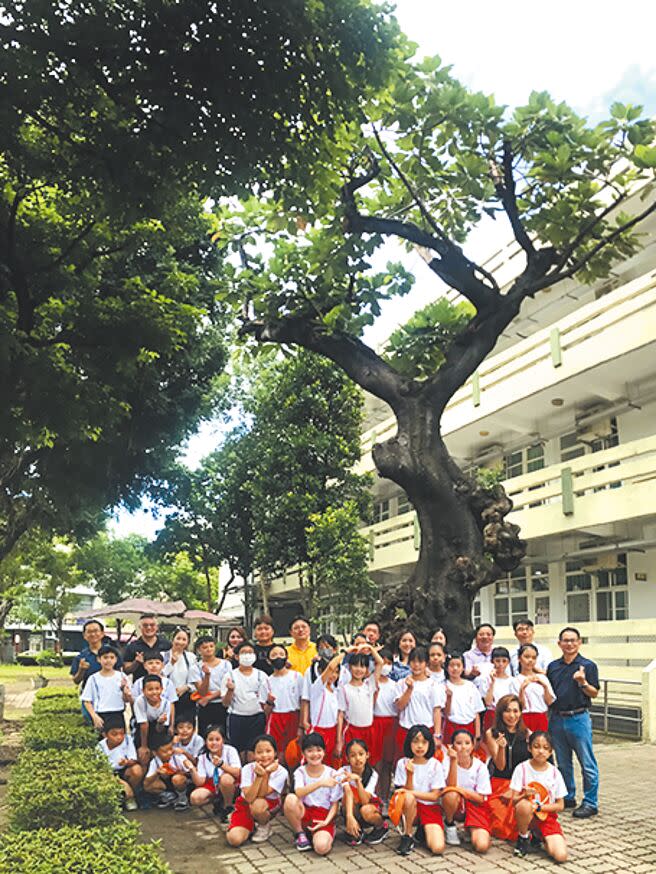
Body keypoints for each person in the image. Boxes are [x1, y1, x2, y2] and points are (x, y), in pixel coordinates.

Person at [546, 627, 600, 819]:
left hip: (579, 718)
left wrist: (583, 682)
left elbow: (594, 693)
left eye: (573, 640)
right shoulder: (553, 667)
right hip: (557, 718)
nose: (569, 644)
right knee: (563, 762)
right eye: (565, 640)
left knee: (586, 762)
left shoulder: (588, 666)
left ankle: (591, 802)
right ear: (559, 643)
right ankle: (568, 796)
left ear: (579, 642)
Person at [510, 731, 569, 862]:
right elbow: (513, 800)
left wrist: (539, 808)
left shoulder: (555, 772)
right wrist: (523, 795)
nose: (541, 751)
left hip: (547, 817)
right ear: (529, 748)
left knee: (561, 856)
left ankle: (539, 836)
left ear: (551, 751)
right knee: (524, 805)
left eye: (546, 748)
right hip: (526, 817)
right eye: (536, 746)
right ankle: (523, 837)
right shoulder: (522, 768)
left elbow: (560, 805)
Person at [283, 731, 343, 855]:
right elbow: (299, 792)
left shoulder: (332, 773)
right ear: (303, 753)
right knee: (290, 799)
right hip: (305, 812)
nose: (315, 754)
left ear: (324, 752)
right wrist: (320, 783)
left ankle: (322, 833)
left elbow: (334, 804)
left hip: (323, 815)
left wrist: (326, 822)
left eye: (318, 750)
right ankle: (300, 834)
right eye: (310, 751)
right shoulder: (300, 771)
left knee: (321, 848)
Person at [393, 724, 446, 857]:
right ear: (409, 743)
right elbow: (403, 795)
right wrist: (409, 775)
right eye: (415, 741)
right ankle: (408, 835)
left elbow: (435, 796)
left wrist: (410, 792)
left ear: (429, 744)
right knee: (408, 797)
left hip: (429, 808)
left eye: (424, 742)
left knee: (438, 848)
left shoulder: (435, 764)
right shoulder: (402, 763)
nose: (420, 746)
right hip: (409, 808)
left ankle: (422, 831)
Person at [485, 694, 531, 842]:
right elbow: (500, 766)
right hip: (499, 783)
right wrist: (501, 748)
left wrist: (516, 788)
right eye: (507, 711)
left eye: (516, 711)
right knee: (501, 823)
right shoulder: (491, 734)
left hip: (520, 784)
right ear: (500, 713)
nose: (512, 716)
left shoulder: (527, 734)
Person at [226, 734, 287, 846]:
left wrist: (266, 773)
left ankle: (264, 825)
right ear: (253, 754)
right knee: (234, 839)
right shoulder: (247, 768)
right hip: (246, 804)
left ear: (275, 753)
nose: (264, 755)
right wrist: (259, 776)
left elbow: (263, 794)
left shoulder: (281, 771)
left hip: (267, 804)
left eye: (268, 751)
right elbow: (248, 798)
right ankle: (250, 825)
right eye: (259, 752)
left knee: (258, 805)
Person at [441, 730, 492, 852]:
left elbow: (481, 798)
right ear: (452, 746)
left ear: (473, 745)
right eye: (458, 743)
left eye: (467, 743)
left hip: (474, 807)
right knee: (451, 794)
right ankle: (449, 824)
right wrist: (453, 761)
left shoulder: (480, 766)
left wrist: (461, 790)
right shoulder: (446, 762)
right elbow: (450, 787)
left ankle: (469, 829)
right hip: (455, 804)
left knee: (482, 846)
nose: (463, 747)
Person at [221, 640, 268, 762]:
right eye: (243, 653)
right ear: (236, 656)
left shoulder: (261, 675)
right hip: (236, 717)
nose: (247, 655)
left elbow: (266, 700)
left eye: (250, 652)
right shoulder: (229, 676)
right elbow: (225, 703)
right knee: (238, 752)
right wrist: (230, 691)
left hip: (257, 717)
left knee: (255, 751)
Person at [394, 646, 444, 759]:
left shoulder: (433, 685)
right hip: (405, 729)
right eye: (413, 661)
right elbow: (399, 706)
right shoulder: (401, 683)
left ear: (426, 663)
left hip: (427, 730)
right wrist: (409, 689)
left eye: (420, 662)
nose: (416, 665)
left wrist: (437, 734)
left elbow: (437, 710)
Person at [336, 644, 383, 760]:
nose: (359, 669)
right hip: (351, 730)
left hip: (369, 730)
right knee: (352, 762)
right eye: (355, 666)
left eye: (362, 666)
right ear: (350, 667)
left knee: (368, 762)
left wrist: (370, 648)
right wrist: (339, 740)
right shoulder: (344, 688)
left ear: (367, 669)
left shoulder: (369, 684)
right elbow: (340, 715)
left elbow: (380, 663)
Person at [71, 620, 122, 722]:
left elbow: (119, 674)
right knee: (93, 728)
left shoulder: (112, 653)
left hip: (111, 699)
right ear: (84, 635)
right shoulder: (82, 656)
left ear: (102, 633)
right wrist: (81, 670)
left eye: (96, 631)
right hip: (91, 700)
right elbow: (76, 681)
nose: (93, 634)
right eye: (89, 632)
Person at [340, 738, 388, 846]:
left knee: (366, 810)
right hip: (351, 809)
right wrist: (349, 817)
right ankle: (355, 830)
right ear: (347, 758)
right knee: (348, 795)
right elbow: (347, 793)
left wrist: (358, 781)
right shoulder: (343, 772)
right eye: (353, 756)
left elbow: (366, 801)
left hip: (369, 807)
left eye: (361, 754)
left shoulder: (373, 774)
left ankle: (381, 827)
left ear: (367, 755)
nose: (357, 758)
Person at [189, 724, 241, 820]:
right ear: (205, 742)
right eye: (210, 740)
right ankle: (218, 801)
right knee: (195, 798)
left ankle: (228, 807)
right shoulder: (203, 757)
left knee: (225, 779)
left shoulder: (230, 750)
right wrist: (192, 769)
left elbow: (237, 772)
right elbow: (200, 781)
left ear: (223, 740)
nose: (214, 743)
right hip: (213, 784)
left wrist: (221, 765)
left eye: (217, 739)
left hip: (231, 782)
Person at [300, 646, 341, 765]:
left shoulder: (335, 691)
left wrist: (338, 740)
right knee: (314, 763)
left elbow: (339, 715)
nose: (333, 675)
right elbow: (331, 667)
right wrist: (345, 652)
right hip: (318, 731)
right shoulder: (318, 687)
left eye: (337, 672)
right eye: (331, 672)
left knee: (330, 765)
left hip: (332, 731)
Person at [264, 643, 302, 766]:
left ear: (286, 657)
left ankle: (294, 781)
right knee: (276, 753)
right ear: (269, 661)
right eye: (274, 655)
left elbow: (303, 701)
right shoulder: (267, 681)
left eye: (281, 654)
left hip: (294, 716)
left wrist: (301, 724)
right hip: (276, 718)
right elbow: (265, 711)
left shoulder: (297, 676)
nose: (278, 657)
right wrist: (269, 702)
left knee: (294, 752)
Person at [97, 716, 143, 811]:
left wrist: (126, 762)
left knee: (137, 770)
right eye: (114, 734)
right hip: (109, 773)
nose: (119, 737)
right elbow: (100, 769)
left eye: (122, 733)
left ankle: (129, 797)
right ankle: (124, 795)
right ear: (105, 735)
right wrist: (122, 783)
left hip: (124, 770)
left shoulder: (127, 740)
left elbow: (133, 759)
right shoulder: (100, 747)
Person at [80, 644, 131, 731]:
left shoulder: (122, 677)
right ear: (99, 659)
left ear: (116, 660)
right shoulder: (93, 678)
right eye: (105, 657)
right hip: (101, 715)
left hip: (118, 713)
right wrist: (94, 717)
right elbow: (87, 701)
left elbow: (127, 699)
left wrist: (124, 691)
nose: (109, 661)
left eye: (112, 657)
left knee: (119, 741)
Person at [371, 646, 398, 801]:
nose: (385, 666)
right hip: (375, 722)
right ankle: (374, 797)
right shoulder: (371, 682)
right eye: (383, 663)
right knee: (376, 763)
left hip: (391, 724)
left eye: (389, 663)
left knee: (388, 763)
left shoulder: (395, 685)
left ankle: (385, 797)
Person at [511, 643, 556, 732]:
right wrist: (522, 689)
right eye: (527, 657)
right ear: (519, 658)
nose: (530, 660)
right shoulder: (514, 681)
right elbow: (519, 706)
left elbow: (550, 702)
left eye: (533, 658)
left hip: (541, 717)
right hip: (523, 718)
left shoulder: (542, 678)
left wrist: (545, 687)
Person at [194, 635, 231, 738]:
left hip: (222, 703)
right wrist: (207, 675)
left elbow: (226, 687)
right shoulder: (196, 667)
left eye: (211, 646)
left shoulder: (226, 664)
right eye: (205, 647)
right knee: (204, 735)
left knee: (223, 734)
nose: (209, 649)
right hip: (205, 706)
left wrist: (209, 698)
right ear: (199, 650)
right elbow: (202, 692)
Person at [133, 674, 175, 766]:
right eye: (150, 689)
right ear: (143, 691)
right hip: (143, 728)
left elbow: (160, 729)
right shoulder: (140, 701)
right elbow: (144, 724)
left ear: (162, 689)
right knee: (144, 756)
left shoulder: (166, 704)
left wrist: (160, 722)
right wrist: (144, 746)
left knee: (161, 753)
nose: (154, 692)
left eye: (157, 689)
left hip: (158, 729)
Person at [143, 732, 192, 810]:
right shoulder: (155, 762)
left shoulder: (178, 757)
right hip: (166, 784)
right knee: (149, 785)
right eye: (165, 751)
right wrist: (157, 773)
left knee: (177, 779)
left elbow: (191, 772)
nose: (169, 752)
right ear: (155, 753)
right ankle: (169, 796)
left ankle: (182, 798)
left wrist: (179, 772)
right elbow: (146, 783)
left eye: (170, 749)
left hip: (181, 782)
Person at [443, 653, 483, 744]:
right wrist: (449, 698)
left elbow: (476, 711)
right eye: (452, 665)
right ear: (446, 667)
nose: (455, 668)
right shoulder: (443, 686)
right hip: (451, 726)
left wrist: (477, 735)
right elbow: (446, 713)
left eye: (458, 665)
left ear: (463, 668)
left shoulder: (470, 686)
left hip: (470, 726)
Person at [163, 627, 199, 719]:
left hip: (186, 697)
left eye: (184, 639)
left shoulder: (191, 657)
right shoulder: (163, 655)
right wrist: (171, 663)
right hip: (166, 697)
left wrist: (186, 687)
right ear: (172, 639)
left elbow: (196, 679)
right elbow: (160, 675)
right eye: (178, 638)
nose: (180, 642)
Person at [123, 614, 171, 681]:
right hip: (140, 687)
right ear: (140, 627)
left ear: (157, 627)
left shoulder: (166, 645)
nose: (149, 628)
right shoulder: (132, 646)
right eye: (145, 625)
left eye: (152, 625)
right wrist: (136, 662)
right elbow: (126, 671)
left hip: (162, 686)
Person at [481, 646, 514, 731]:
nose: (501, 664)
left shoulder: (512, 680)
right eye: (497, 661)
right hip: (492, 714)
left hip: (508, 714)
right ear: (492, 661)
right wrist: (492, 683)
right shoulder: (486, 679)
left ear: (508, 662)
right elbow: (487, 702)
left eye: (504, 661)